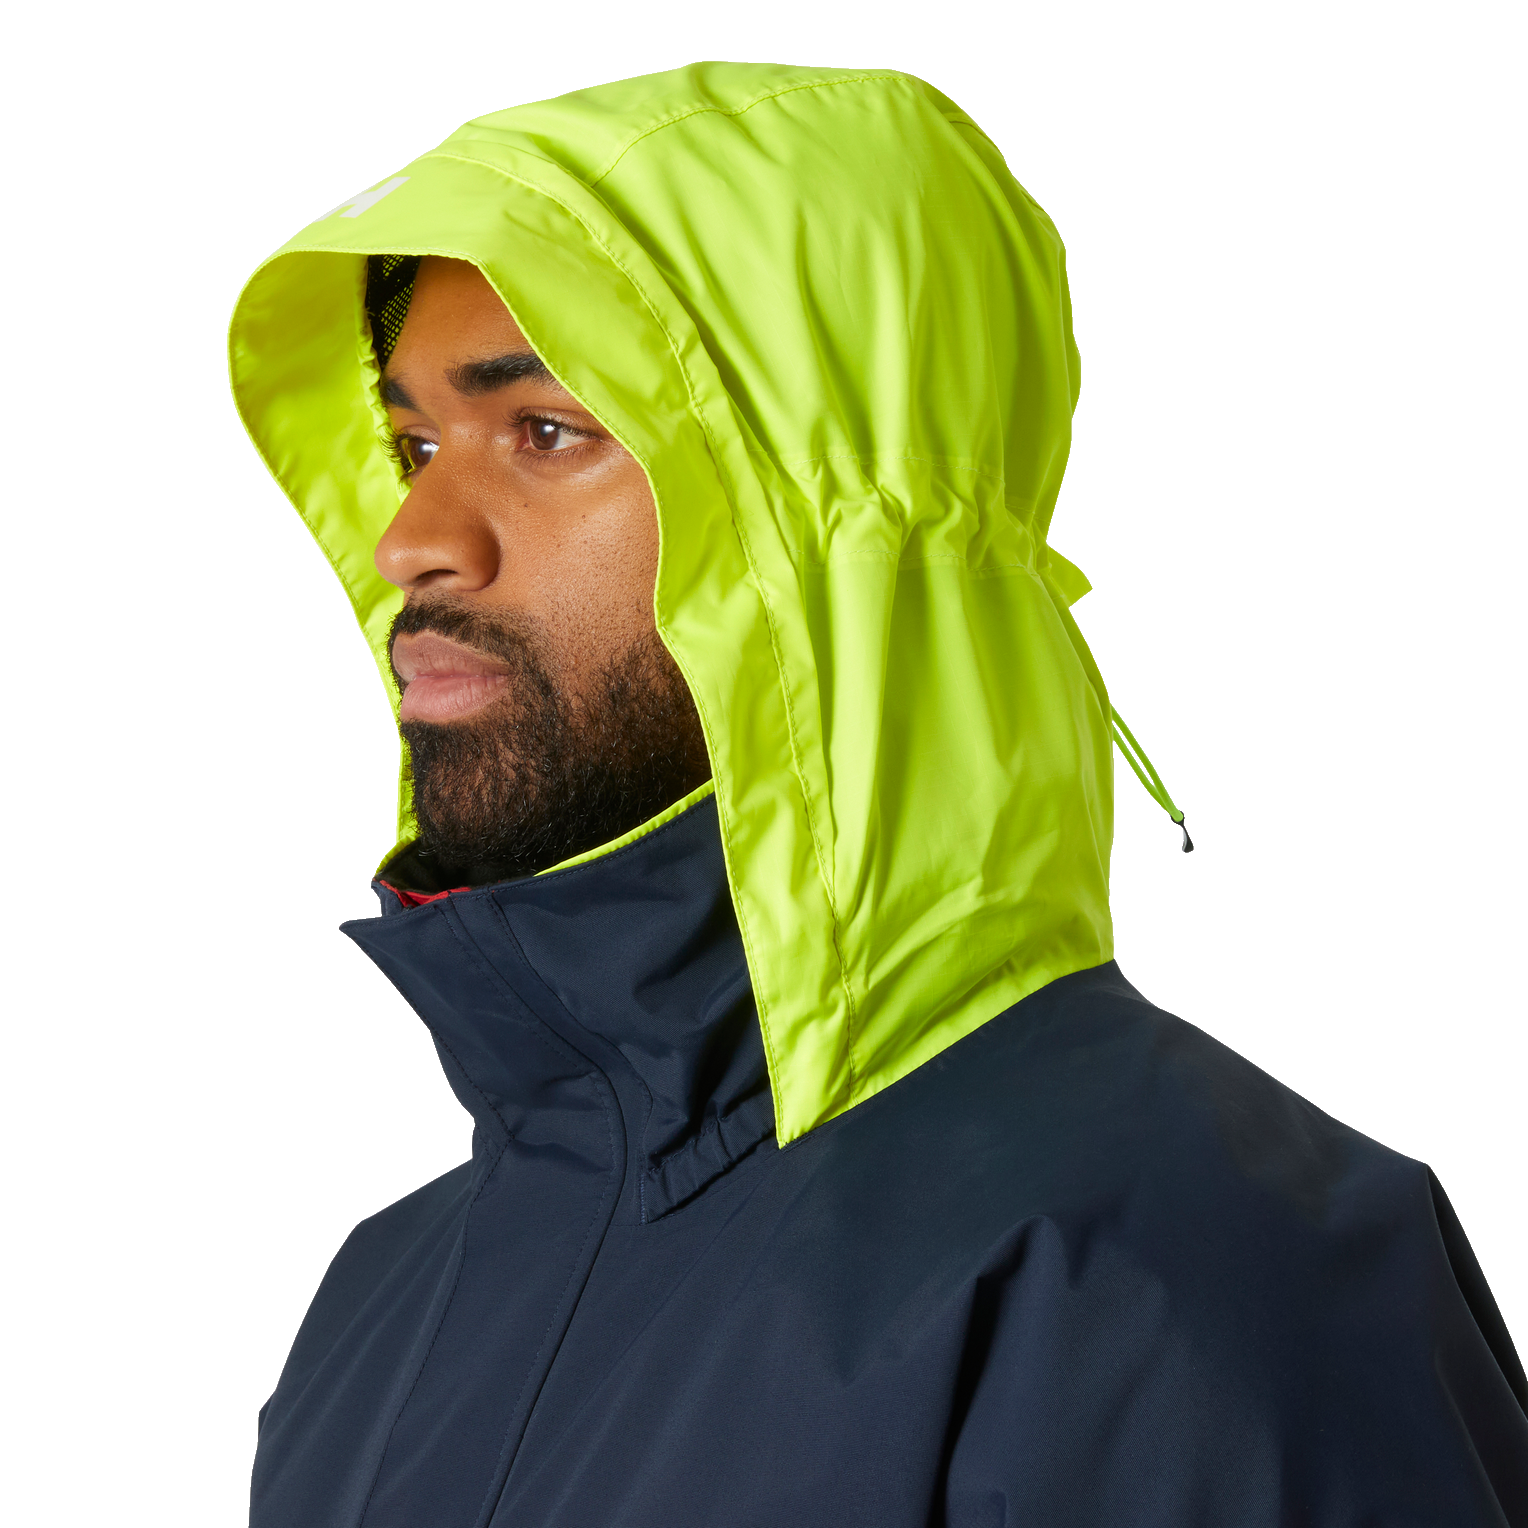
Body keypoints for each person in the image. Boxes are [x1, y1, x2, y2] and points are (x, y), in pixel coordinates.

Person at [229, 62, 1528, 1527]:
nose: (412, 539)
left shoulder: (1190, 1268)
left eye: (546, 431)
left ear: (828, 523)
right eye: (412, 444)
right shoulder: (385, 1310)